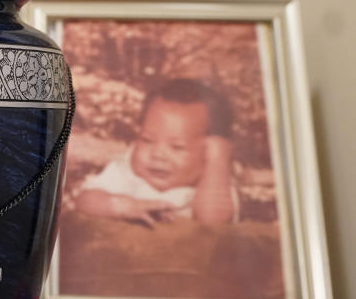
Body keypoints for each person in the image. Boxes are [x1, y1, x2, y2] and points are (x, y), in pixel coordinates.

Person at [74, 78, 237, 227]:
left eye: (177, 147)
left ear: (208, 151)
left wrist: (217, 160)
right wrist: (120, 206)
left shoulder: (212, 181)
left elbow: (214, 225)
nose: (158, 155)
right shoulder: (128, 173)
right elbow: (84, 202)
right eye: (147, 140)